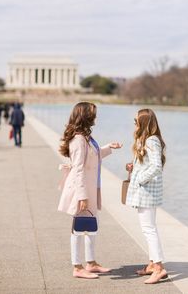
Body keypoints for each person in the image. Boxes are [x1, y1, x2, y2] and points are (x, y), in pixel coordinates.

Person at [58, 102, 122, 279]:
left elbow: (92, 158)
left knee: (91, 226)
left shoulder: (85, 137)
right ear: (85, 116)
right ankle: (77, 267)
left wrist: (109, 148)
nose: (95, 117)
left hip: (90, 187)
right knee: (79, 228)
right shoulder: (78, 140)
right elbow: (78, 168)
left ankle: (91, 263)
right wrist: (82, 196)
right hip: (82, 188)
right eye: (93, 114)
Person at [126, 108, 167, 284]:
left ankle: (158, 268)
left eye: (136, 122)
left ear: (143, 123)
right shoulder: (146, 140)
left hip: (147, 191)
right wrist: (134, 167)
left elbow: (156, 166)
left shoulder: (151, 140)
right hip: (146, 191)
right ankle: (152, 263)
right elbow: (149, 164)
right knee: (149, 228)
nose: (134, 125)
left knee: (149, 229)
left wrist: (141, 178)